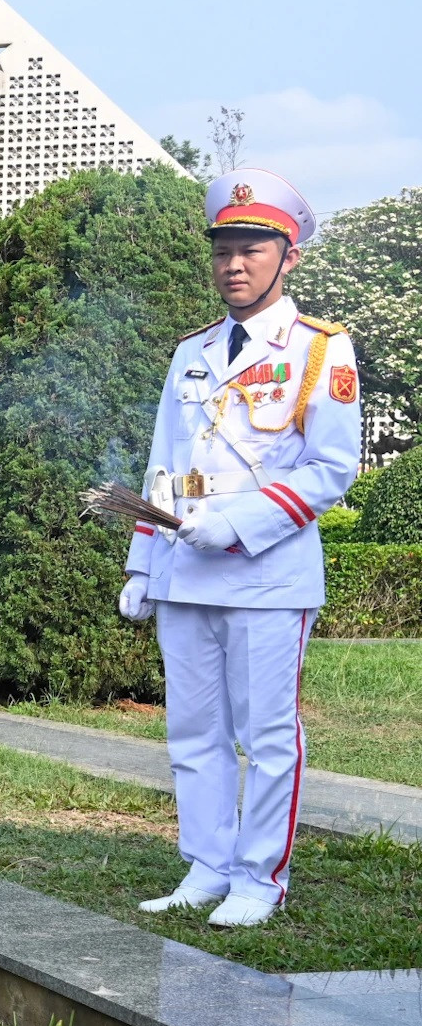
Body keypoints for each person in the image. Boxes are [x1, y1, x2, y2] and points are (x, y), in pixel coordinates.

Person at [119, 169, 360, 928]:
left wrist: (243, 521)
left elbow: (332, 468)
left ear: (288, 257)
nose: (235, 263)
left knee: (266, 735)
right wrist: (141, 562)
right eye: (224, 247)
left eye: (253, 247)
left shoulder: (322, 349)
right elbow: (162, 464)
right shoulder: (190, 351)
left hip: (267, 577)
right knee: (193, 731)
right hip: (186, 574)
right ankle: (207, 863)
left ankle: (259, 878)